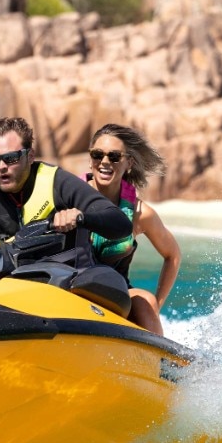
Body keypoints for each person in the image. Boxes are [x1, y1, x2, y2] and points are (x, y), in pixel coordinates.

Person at [0, 117, 132, 245]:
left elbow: (121, 224)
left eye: (11, 158)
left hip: (62, 286)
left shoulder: (57, 183)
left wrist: (81, 217)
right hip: (8, 291)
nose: (1, 166)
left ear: (30, 156)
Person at [82, 124, 181, 336]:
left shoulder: (139, 214)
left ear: (129, 163)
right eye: (98, 155)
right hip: (71, 286)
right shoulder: (69, 198)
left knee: (146, 301)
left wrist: (158, 305)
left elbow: (172, 255)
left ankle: (157, 363)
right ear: (90, 160)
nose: (105, 162)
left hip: (116, 294)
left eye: (114, 156)